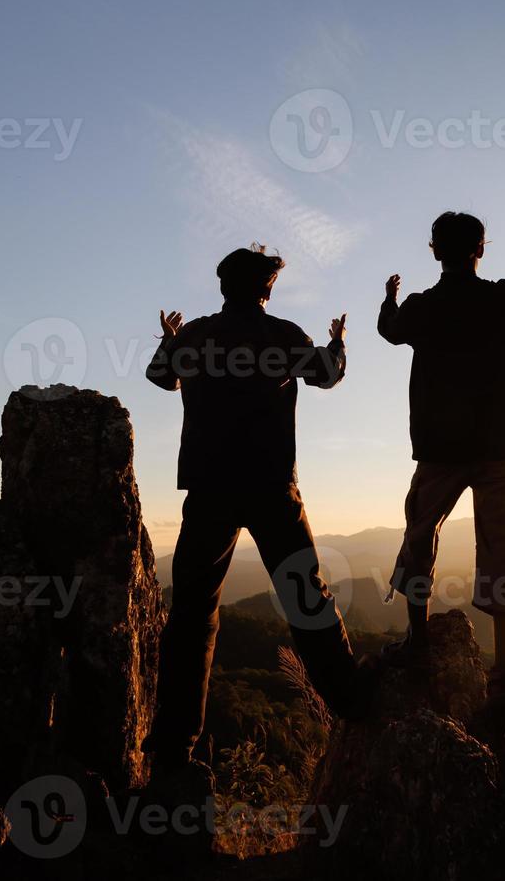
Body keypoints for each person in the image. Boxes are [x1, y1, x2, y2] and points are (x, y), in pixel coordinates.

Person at [142, 244, 370, 783]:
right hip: (271, 485)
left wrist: (172, 341)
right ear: (266, 289)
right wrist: (338, 343)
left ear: (223, 286)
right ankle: (353, 703)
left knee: (193, 616)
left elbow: (160, 376)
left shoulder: (196, 335)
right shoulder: (281, 335)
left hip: (207, 487)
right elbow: (328, 376)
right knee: (305, 597)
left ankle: (174, 750)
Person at [378, 211, 505, 707]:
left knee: (419, 535)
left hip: (439, 450)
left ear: (434, 250)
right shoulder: (500, 299)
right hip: (499, 448)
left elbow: (390, 329)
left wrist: (389, 297)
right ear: (482, 248)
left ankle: (417, 642)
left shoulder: (420, 307)